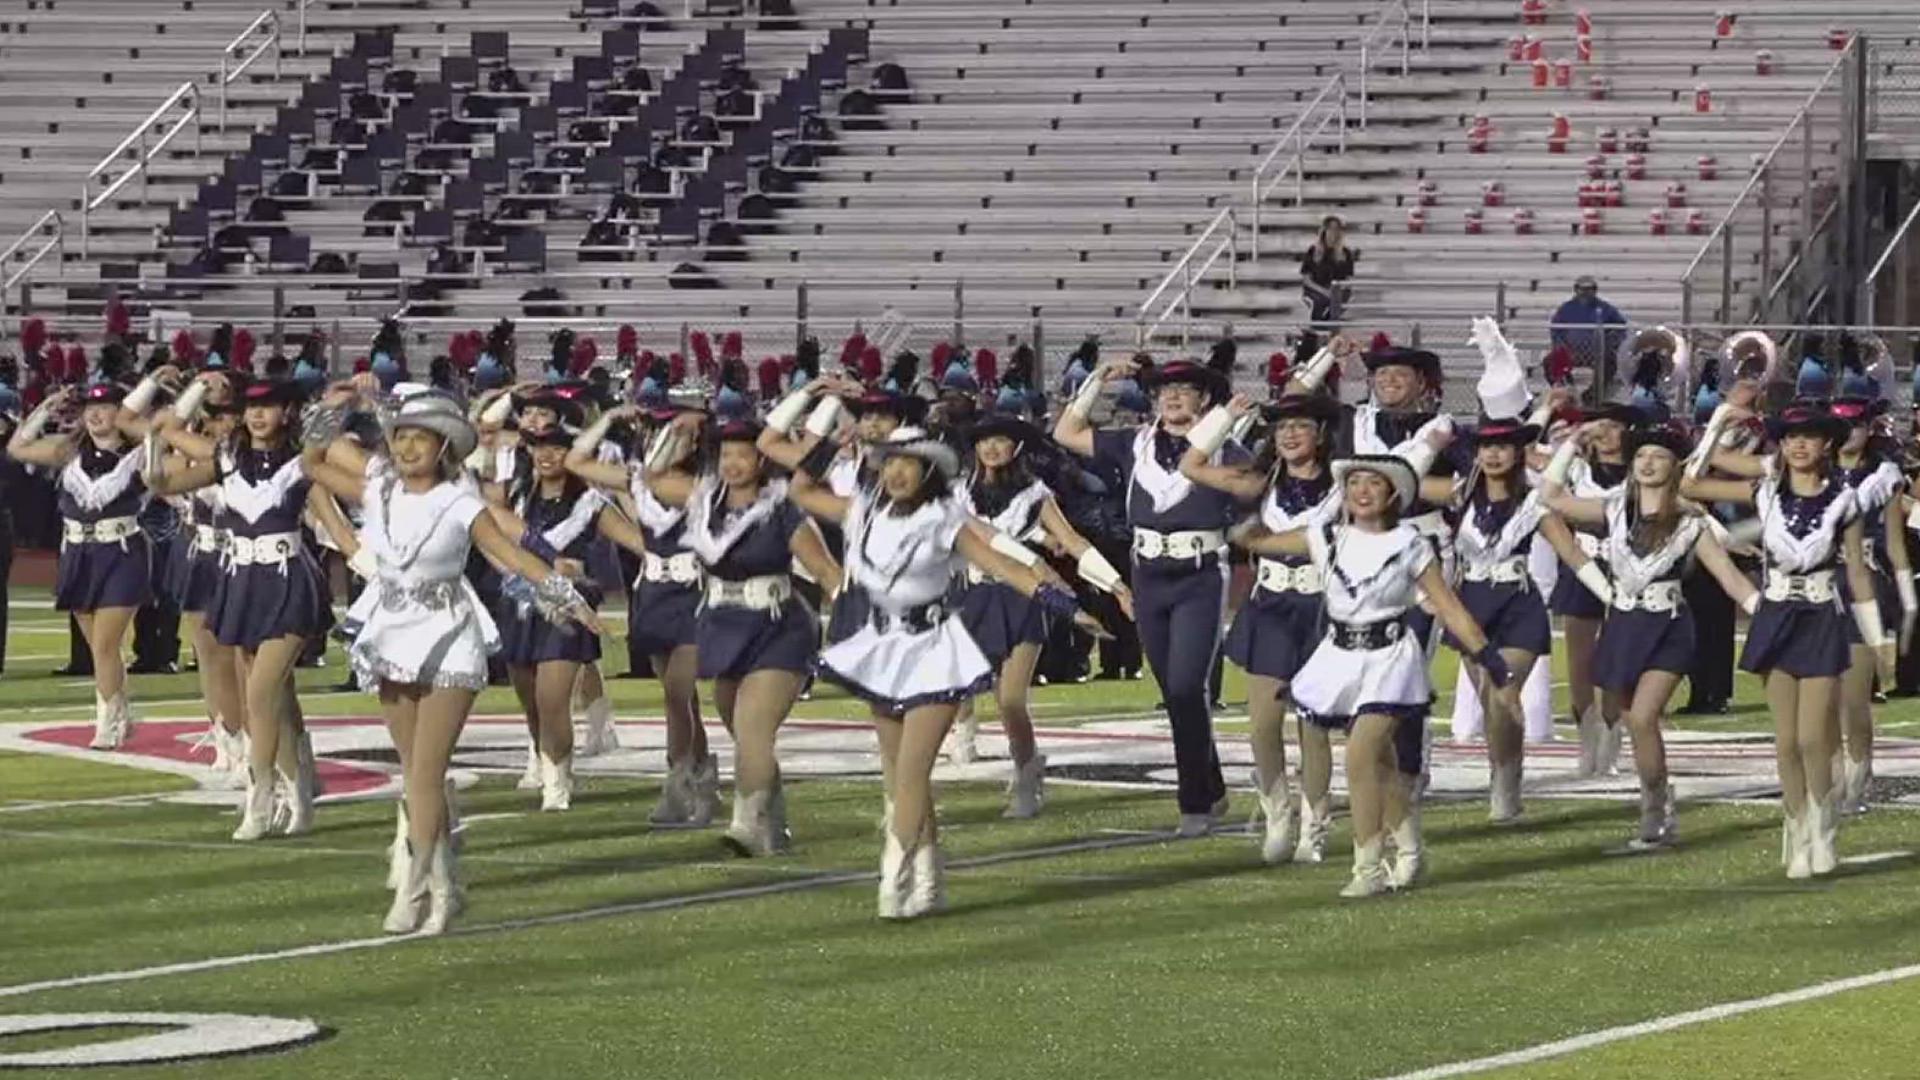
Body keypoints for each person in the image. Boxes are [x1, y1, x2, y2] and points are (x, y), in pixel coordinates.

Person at [302, 385, 596, 935]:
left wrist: (566, 598)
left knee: (426, 770)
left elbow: (508, 556)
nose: (409, 447)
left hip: (448, 631)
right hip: (392, 632)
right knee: (415, 771)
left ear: (444, 448)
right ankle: (443, 881)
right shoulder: (380, 491)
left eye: (421, 438)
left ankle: (413, 886)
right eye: (402, 437)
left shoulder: (461, 501)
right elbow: (313, 464)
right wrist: (334, 407)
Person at [786, 425, 1106, 918]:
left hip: (933, 649)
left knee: (912, 770)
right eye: (889, 461)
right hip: (881, 646)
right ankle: (930, 872)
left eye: (907, 463)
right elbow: (800, 491)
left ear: (929, 470)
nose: (895, 471)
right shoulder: (864, 512)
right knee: (897, 775)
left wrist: (1063, 604)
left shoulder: (946, 519)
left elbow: (1003, 564)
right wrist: (830, 436)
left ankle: (895, 867)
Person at [1237, 450, 1508, 897]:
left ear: (1392, 495)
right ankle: (1410, 850)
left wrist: (1490, 660)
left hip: (1389, 660)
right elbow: (1259, 541)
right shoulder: (1325, 536)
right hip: (1339, 654)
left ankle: (1368, 869)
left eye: (1374, 484)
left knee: (1360, 755)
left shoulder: (1411, 544)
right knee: (1382, 768)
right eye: (1354, 483)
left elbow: (1449, 607)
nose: (1362, 492)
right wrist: (1240, 513)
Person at [1684, 401, 1892, 878]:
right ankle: (1796, 828)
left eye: (1810, 436)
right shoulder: (1765, 492)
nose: (1798, 444)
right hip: (1776, 616)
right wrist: (1717, 423)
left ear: (1826, 446)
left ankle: (1824, 829)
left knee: (1813, 738)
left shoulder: (1846, 500)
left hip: (1821, 618)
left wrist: (1878, 638)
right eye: (1791, 436)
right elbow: (1691, 485)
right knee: (1785, 743)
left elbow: (1857, 575)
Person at [1054, 357, 1248, 836]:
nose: (1173, 397)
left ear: (1205, 399)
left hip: (1200, 575)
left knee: (1186, 688)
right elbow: (1067, 432)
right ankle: (1213, 785)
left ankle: (1194, 804)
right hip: (1148, 575)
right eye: (1164, 390)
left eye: (1184, 389)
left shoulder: (1229, 449)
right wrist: (1097, 380)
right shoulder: (1134, 442)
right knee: (1174, 691)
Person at [1541, 420, 1756, 848]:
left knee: (1643, 717)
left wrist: (1765, 615)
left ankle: (1653, 812)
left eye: (1658, 456)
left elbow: (1731, 578)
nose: (1648, 462)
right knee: (1628, 719)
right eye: (1641, 455)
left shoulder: (1692, 522)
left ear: (1675, 465)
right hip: (1623, 625)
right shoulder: (1614, 508)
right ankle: (1659, 796)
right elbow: (1551, 499)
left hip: (1669, 627)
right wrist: (1572, 444)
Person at [149, 375, 341, 840]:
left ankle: (258, 801)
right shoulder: (226, 458)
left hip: (287, 580)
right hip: (240, 580)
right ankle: (299, 795)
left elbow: (339, 519)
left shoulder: (303, 462)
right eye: (250, 407)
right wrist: (185, 402)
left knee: (259, 694)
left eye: (269, 406)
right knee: (281, 701)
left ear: (287, 413)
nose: (256, 415)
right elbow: (165, 455)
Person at [642, 411, 842, 857]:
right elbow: (652, 477)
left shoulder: (783, 510)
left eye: (744, 454)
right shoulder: (703, 502)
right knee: (741, 728)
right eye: (726, 454)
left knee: (753, 729)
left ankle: (747, 824)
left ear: (762, 460)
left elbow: (826, 571)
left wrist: (853, 621)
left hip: (779, 626)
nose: (733, 463)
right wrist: (677, 435)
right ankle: (774, 815)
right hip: (722, 624)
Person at [1179, 393, 1337, 862]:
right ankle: (1277, 817)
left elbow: (1326, 541)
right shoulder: (1260, 481)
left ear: (1322, 434)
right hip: (1270, 604)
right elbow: (1191, 465)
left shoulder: (1343, 484)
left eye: (1301, 426)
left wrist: (1260, 542)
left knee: (1314, 728)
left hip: (1321, 606)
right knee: (1263, 727)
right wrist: (1225, 417)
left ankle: (1315, 824)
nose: (1288, 434)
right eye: (1281, 427)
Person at [950, 409, 1132, 817]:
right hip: (969, 595)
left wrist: (1116, 585)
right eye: (984, 441)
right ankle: (963, 733)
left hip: (1022, 599)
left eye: (1000, 440)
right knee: (955, 687)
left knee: (1011, 700)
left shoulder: (1036, 494)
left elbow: (1073, 540)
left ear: (1016, 448)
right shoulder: (957, 491)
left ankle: (1027, 774)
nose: (991, 448)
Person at [567, 394, 717, 826]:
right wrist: (610, 417)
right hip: (652, 593)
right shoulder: (637, 479)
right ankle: (702, 782)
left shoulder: (706, 486)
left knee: (676, 693)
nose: (665, 437)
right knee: (680, 698)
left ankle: (677, 785)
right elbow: (578, 462)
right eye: (660, 430)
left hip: (693, 592)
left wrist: (696, 427)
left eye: (676, 432)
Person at [490, 425, 649, 812]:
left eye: (557, 448)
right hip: (520, 606)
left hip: (568, 609)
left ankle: (557, 784)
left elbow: (639, 543)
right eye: (540, 447)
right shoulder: (516, 496)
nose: (546, 455)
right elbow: (490, 537)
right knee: (530, 701)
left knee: (552, 700)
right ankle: (540, 757)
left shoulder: (591, 503)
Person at [8, 382, 153, 749]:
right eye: (89, 406)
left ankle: (106, 723)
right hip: (77, 554)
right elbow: (17, 447)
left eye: (105, 407)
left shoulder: (140, 455)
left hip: (121, 552)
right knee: (99, 647)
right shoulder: (68, 451)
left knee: (105, 645)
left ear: (121, 412)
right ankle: (121, 711)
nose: (95, 413)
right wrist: (46, 405)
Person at [1545, 403, 1636, 773]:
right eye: (1602, 427)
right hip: (1583, 567)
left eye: (1616, 428)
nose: (1607, 435)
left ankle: (1612, 740)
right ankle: (1587, 742)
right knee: (1580, 664)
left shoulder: (1641, 470)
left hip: (1629, 568)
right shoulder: (1578, 470)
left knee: (1617, 659)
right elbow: (1546, 485)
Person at [1548, 275, 1628, 393]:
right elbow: (1556, 330)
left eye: (1589, 289)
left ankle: (1594, 393)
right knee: (1550, 361)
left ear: (1595, 290)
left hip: (1598, 352)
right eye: (1582, 289)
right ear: (1576, 290)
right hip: (1572, 351)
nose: (1585, 292)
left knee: (1609, 361)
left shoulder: (1605, 308)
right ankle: (1568, 391)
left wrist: (1609, 343)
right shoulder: (1566, 308)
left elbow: (1620, 327)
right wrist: (1562, 346)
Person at [1299, 215, 1356, 339]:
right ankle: (1318, 329)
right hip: (1316, 288)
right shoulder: (1314, 251)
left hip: (1336, 288)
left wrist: (1338, 290)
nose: (1333, 233)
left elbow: (1349, 279)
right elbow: (1306, 279)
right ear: (1324, 231)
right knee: (1320, 300)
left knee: (1339, 298)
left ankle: (1328, 328)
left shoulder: (1345, 253)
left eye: (1336, 229)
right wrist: (1324, 291)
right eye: (1330, 229)